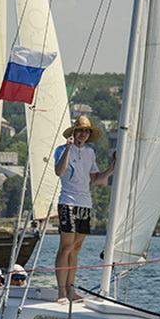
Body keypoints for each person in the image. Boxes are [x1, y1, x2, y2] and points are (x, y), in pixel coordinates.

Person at [54, 116, 116, 303]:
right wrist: (67, 148)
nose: (83, 133)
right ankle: (61, 292)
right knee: (65, 247)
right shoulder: (62, 149)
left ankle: (71, 290)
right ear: (73, 132)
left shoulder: (90, 153)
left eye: (86, 131)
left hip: (85, 203)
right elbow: (59, 171)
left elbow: (96, 179)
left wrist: (112, 168)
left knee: (76, 248)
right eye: (80, 130)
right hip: (68, 201)